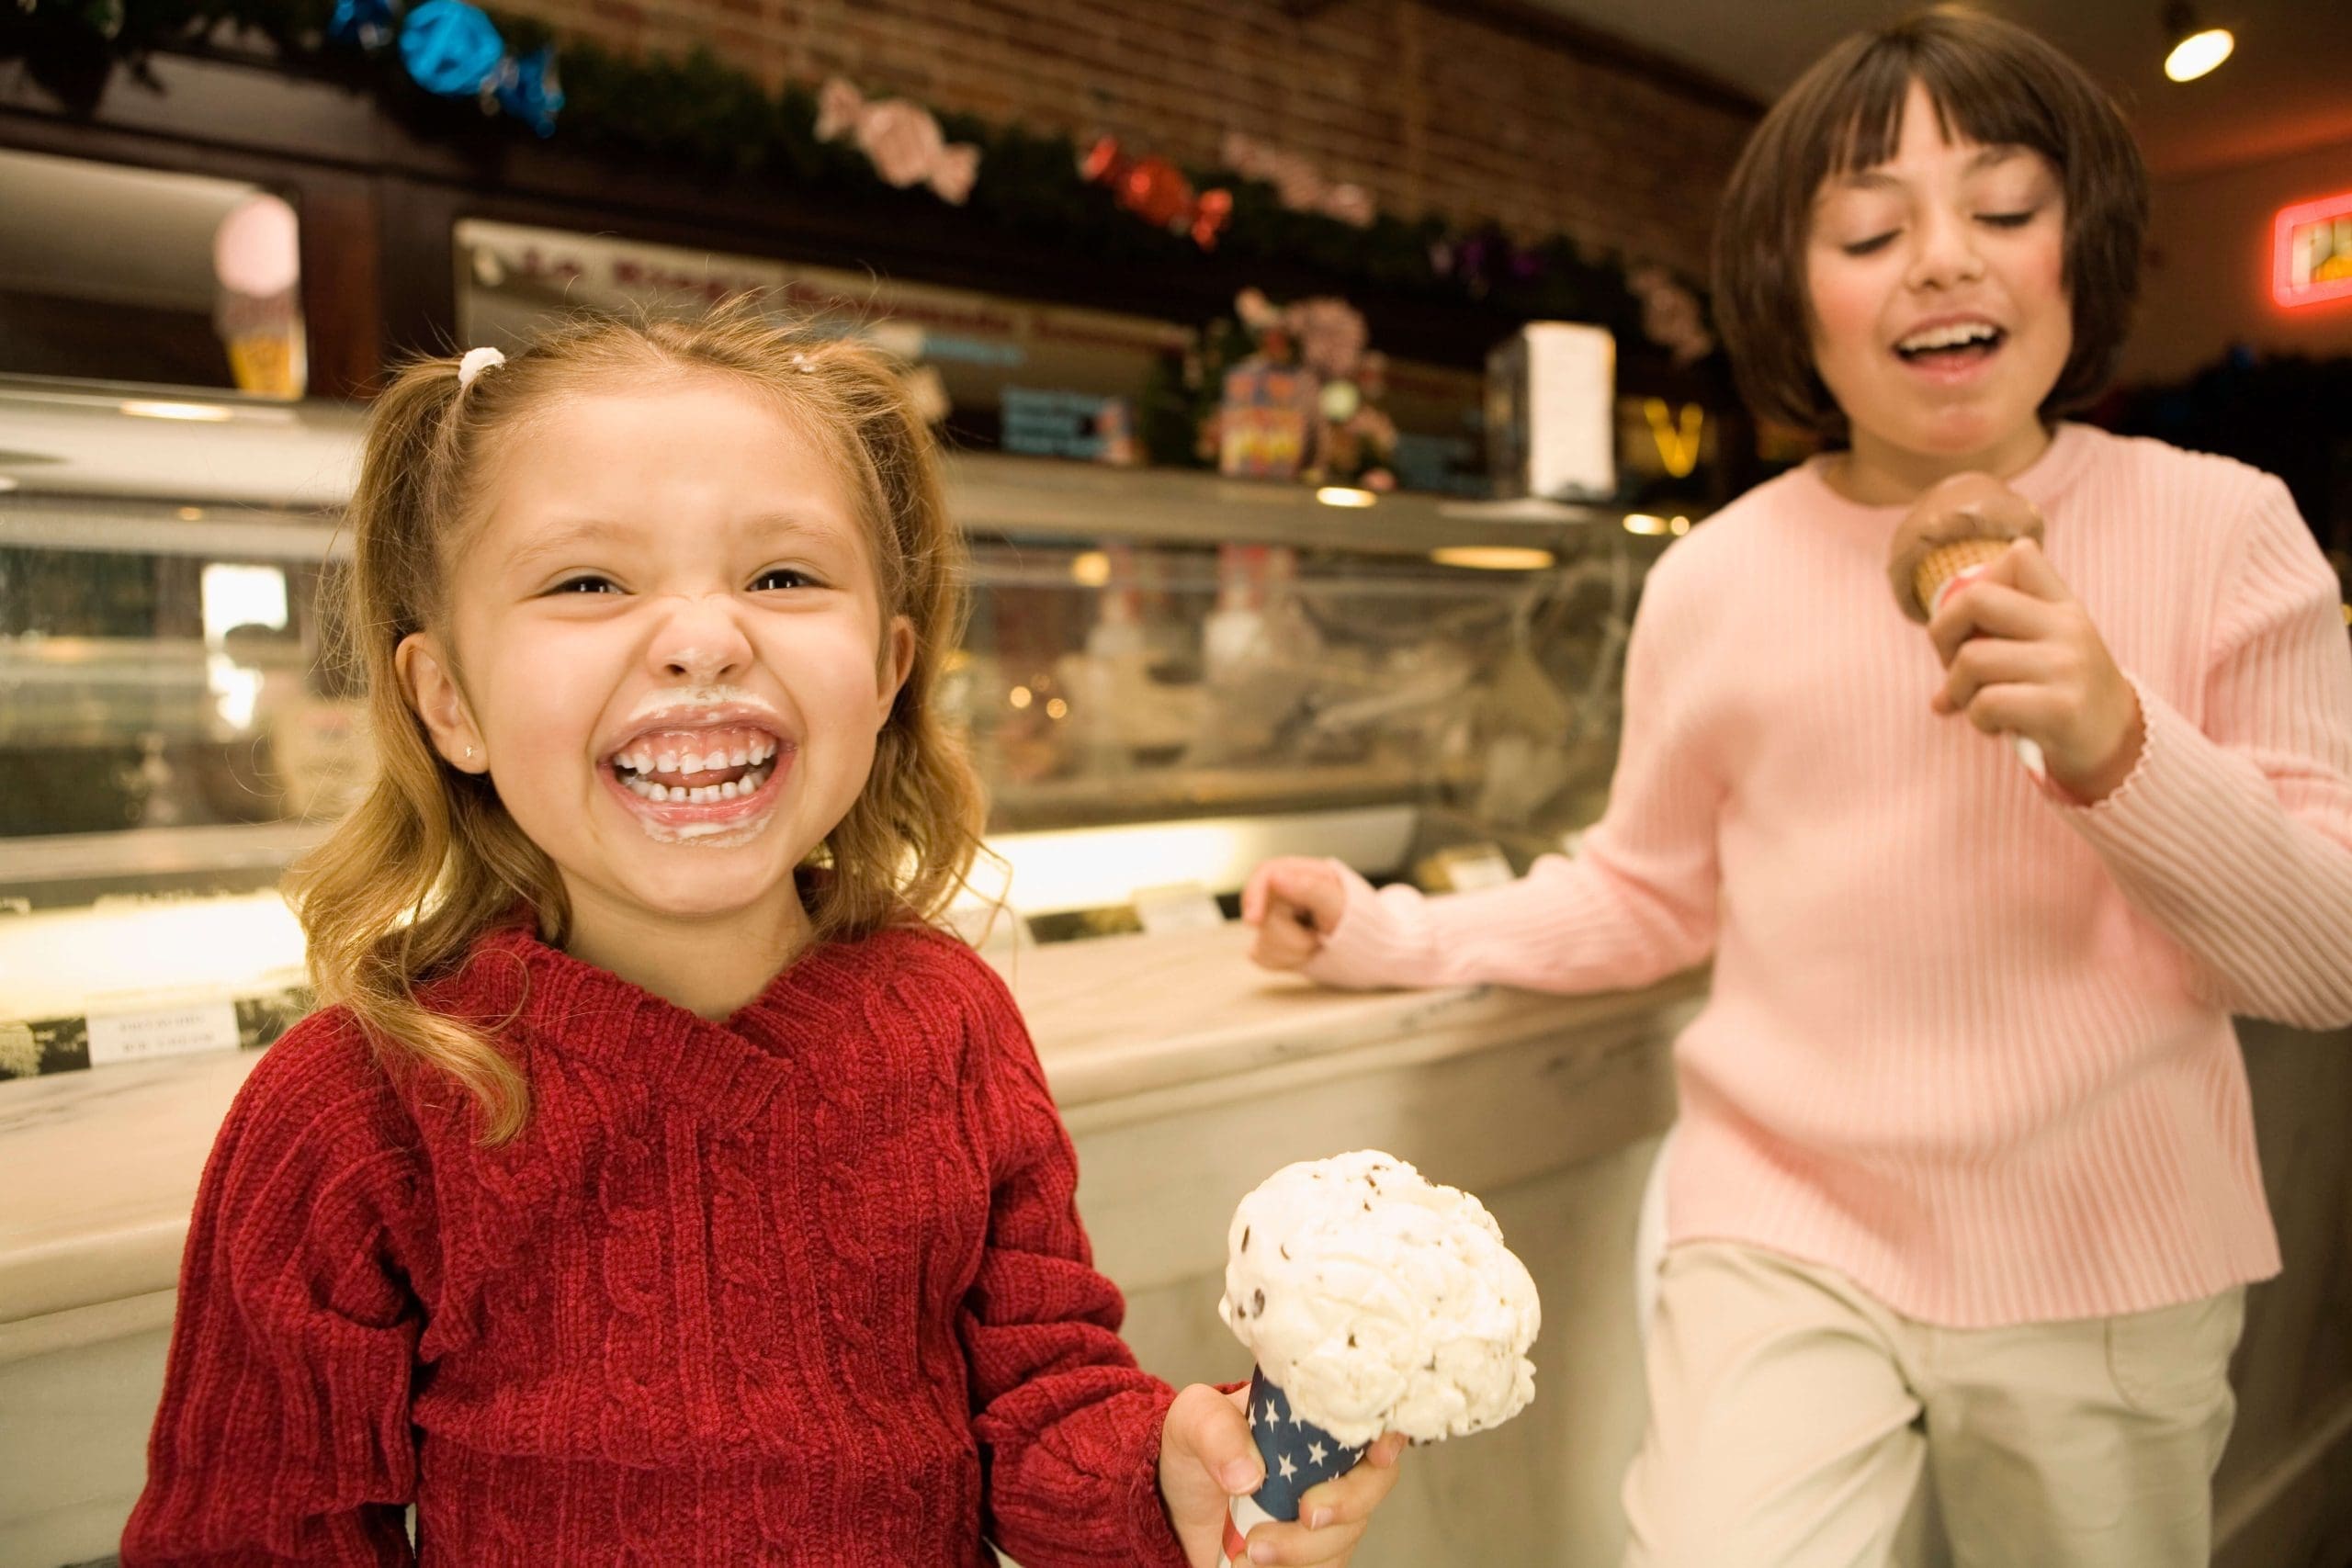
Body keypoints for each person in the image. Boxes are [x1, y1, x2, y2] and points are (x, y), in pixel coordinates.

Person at [1242, 9, 2352, 1566]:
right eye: (1871, 229)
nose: (1945, 260)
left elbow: (2327, 962)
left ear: (2078, 251)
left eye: (2006, 210)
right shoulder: (1716, 577)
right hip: (1781, 1230)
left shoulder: (2229, 529)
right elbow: (1644, 888)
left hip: (2111, 1250)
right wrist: (1392, 934)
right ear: (1794, 294)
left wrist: (2118, 741)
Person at [123, 304, 1404, 1566]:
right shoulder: (362, 1107)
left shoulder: (948, 1021)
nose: (700, 640)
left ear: (891, 666)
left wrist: (1162, 1473)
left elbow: (1038, 1394)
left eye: (782, 576)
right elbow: (245, 1537)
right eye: (588, 581)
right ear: (447, 700)